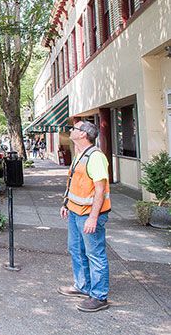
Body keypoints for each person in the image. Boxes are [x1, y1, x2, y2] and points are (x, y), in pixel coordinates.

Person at [58, 121, 111, 312]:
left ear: (83, 134)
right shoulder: (80, 154)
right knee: (76, 249)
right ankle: (82, 286)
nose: (70, 131)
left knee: (95, 254)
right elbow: (73, 181)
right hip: (74, 211)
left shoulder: (96, 157)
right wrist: (66, 203)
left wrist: (94, 218)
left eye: (74, 129)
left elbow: (100, 190)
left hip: (89, 214)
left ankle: (99, 296)